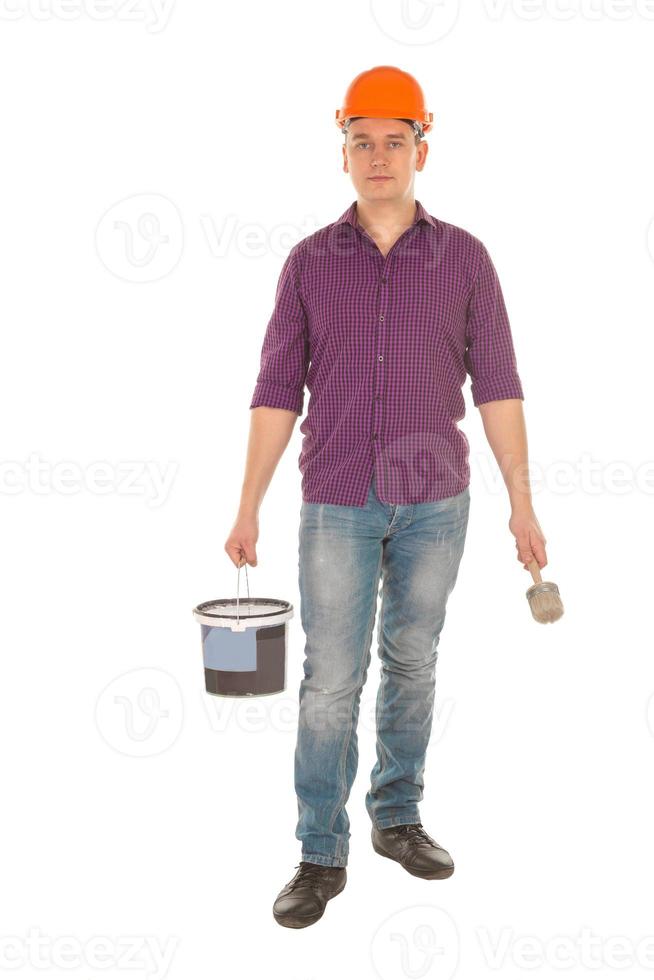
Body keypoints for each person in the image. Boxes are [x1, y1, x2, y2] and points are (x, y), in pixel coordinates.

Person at [224, 65, 548, 929]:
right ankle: (318, 852)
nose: (378, 157)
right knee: (331, 680)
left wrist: (522, 502)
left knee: (413, 662)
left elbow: (501, 388)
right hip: (336, 497)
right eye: (361, 142)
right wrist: (247, 504)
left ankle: (397, 817)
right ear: (343, 152)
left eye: (393, 141)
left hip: (437, 502)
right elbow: (273, 393)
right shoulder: (307, 263)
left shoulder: (467, 258)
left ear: (421, 148)